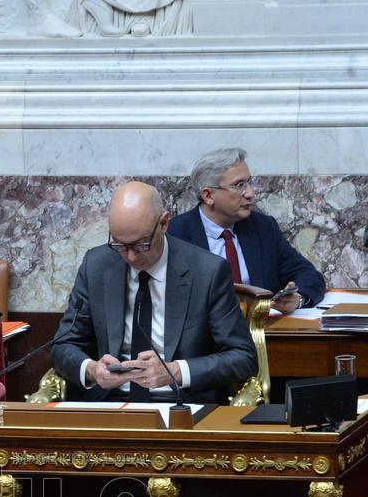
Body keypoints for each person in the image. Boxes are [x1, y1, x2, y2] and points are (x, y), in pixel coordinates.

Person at [50, 181, 257, 405]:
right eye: (119, 245)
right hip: (109, 402)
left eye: (140, 245)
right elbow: (63, 346)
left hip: (182, 405)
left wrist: (175, 371)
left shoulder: (207, 272)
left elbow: (243, 357)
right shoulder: (97, 266)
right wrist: (92, 370)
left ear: (164, 223)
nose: (129, 257)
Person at [168, 147, 326, 314]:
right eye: (239, 185)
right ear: (208, 195)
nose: (250, 193)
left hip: (263, 333)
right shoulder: (175, 235)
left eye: (249, 182)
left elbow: (308, 275)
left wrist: (298, 299)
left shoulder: (262, 228)